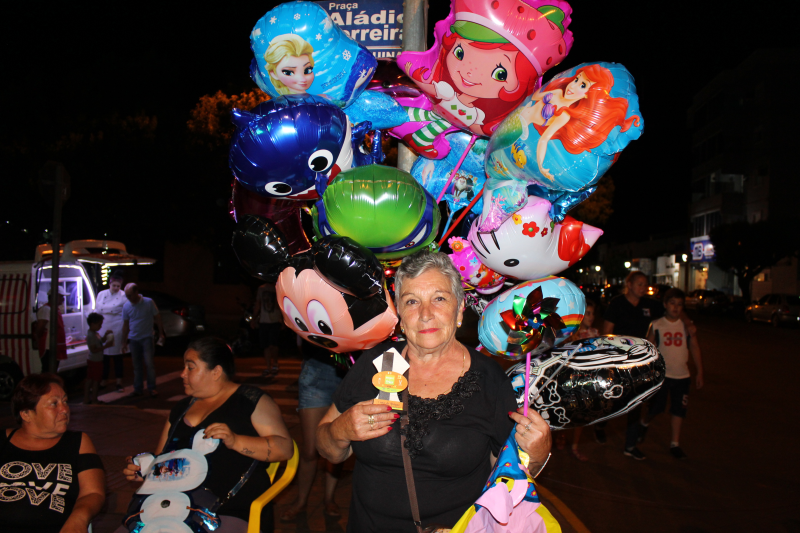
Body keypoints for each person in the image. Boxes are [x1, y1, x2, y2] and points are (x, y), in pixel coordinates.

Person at [316, 250, 551, 532]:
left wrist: (537, 454)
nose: (426, 314)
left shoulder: (490, 381)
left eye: (439, 299)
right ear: (400, 315)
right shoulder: (374, 364)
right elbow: (327, 449)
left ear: (459, 309)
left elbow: (506, 478)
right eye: (412, 301)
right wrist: (340, 430)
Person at [119, 338, 293, 533]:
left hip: (225, 510)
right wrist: (143, 471)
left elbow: (284, 448)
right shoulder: (181, 409)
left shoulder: (249, 400)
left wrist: (236, 441)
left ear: (216, 372)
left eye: (190, 367)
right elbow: (162, 460)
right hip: (174, 508)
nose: (182, 373)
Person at [403, 21, 539, 158]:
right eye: (460, 53)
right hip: (435, 115)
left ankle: (418, 134)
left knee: (431, 123)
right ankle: (405, 121)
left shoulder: (478, 114)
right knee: (414, 116)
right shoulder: (448, 92)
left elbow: (483, 128)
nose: (470, 73)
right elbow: (432, 88)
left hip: (446, 123)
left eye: (500, 74)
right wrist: (415, 74)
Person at [0, 374, 105, 533]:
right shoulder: (2, 441)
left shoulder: (77, 442)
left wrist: (79, 518)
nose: (64, 409)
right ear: (26, 413)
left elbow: (93, 492)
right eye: (54, 404)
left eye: (65, 401)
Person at [518, 63, 641, 180]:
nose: (572, 86)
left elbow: (544, 139)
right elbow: (534, 97)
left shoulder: (564, 115)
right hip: (518, 117)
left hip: (519, 129)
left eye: (583, 85)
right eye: (576, 79)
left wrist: (541, 166)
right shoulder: (557, 92)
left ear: (589, 94)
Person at [601, 271, 667, 460]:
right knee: (612, 399)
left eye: (645, 284)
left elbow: (670, 312)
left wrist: (688, 323)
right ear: (629, 284)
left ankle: (630, 445)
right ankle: (600, 425)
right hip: (619, 360)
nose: (643, 287)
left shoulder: (650, 305)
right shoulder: (617, 303)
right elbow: (607, 331)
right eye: (639, 283)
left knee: (638, 401)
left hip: (640, 361)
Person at [280, 339, 344, 521]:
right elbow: (303, 341)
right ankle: (301, 502)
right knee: (309, 451)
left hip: (346, 375)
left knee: (336, 447)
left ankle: (329, 498)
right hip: (316, 375)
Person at [641, 289, 704, 459]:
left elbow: (695, 348)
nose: (675, 307)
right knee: (656, 408)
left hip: (682, 376)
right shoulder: (657, 325)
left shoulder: (686, 327)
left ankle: (675, 443)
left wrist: (700, 372)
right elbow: (648, 348)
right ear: (665, 304)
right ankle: (644, 423)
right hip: (662, 376)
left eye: (679, 304)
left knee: (679, 410)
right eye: (672, 303)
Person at [556, 299, 600, 461]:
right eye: (587, 313)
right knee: (565, 411)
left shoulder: (596, 333)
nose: (591, 317)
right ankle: (560, 436)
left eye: (593, 313)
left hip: (587, 379)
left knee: (582, 414)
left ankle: (575, 446)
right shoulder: (570, 334)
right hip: (570, 379)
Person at [121, 283, 164, 397]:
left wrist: (161, 333)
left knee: (149, 364)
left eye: (130, 295)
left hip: (147, 337)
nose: (128, 298)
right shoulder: (126, 306)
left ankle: (151, 388)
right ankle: (138, 388)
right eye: (127, 295)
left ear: (136, 292)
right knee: (137, 365)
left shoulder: (148, 302)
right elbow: (126, 324)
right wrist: (124, 341)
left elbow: (157, 317)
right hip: (133, 338)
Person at [96, 272, 126, 392]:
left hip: (117, 327)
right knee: (105, 357)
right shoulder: (101, 294)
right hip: (103, 326)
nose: (116, 288)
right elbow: (97, 310)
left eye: (118, 286)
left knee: (117, 356)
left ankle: (119, 382)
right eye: (114, 285)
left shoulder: (123, 296)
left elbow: (126, 312)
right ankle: (103, 380)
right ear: (110, 284)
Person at [253, 282, 283, 379]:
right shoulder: (261, 289)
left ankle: (275, 363)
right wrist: (254, 318)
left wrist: (284, 320)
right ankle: (268, 367)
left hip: (275, 320)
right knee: (265, 345)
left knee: (273, 345)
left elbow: (282, 304)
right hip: (264, 321)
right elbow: (258, 304)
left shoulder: (278, 287)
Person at [35, 286, 68, 374]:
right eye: (61, 296)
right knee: (48, 372)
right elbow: (40, 328)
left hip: (54, 347)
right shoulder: (46, 309)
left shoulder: (55, 310)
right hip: (48, 348)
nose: (63, 299)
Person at [84, 313, 113, 404]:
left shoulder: (95, 333)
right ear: (92, 324)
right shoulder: (91, 335)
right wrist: (106, 346)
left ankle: (87, 399)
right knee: (96, 380)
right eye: (99, 324)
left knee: (90, 379)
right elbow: (93, 349)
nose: (100, 326)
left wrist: (105, 335)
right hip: (95, 360)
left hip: (93, 360)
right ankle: (94, 399)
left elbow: (100, 342)